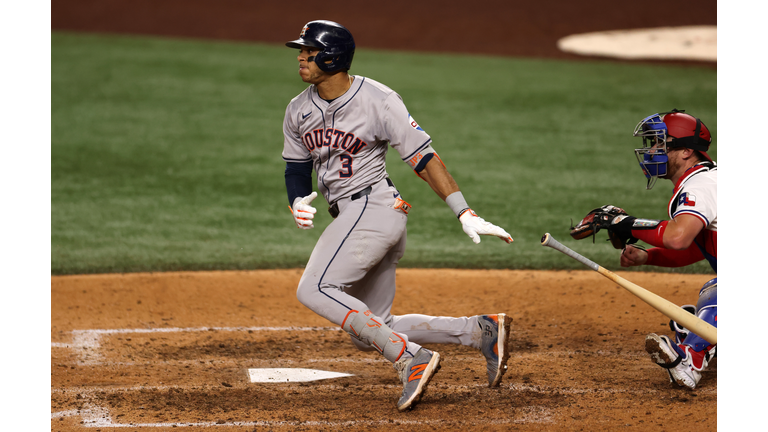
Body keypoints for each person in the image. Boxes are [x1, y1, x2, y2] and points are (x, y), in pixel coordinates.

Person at [281, 20, 515, 411]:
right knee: (369, 330)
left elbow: (423, 157)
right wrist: (297, 200)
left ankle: (412, 358)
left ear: (332, 57)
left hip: (372, 209)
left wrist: (464, 211)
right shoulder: (298, 109)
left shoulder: (379, 99)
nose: (301, 57)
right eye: (301, 50)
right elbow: (295, 166)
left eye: (309, 50)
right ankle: (479, 331)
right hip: (358, 216)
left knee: (314, 288)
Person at [572, 109, 717, 390]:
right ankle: (705, 329)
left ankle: (691, 358)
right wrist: (649, 255)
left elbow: (678, 237)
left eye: (661, 144)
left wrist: (623, 223)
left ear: (687, 150)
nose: (652, 151)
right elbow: (701, 247)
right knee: (714, 289)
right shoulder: (707, 180)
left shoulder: (700, 186)